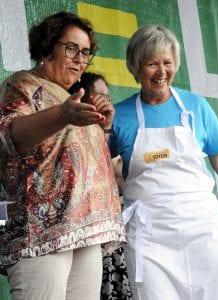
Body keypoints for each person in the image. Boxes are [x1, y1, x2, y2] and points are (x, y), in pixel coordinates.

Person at [0, 12, 125, 300]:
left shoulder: (75, 97)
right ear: (47, 46)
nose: (80, 59)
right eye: (71, 48)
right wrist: (62, 114)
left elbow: (83, 162)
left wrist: (102, 127)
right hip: (40, 232)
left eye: (85, 52)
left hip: (85, 230)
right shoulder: (22, 84)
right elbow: (10, 137)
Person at [109, 24, 218, 300]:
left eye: (167, 63)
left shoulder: (195, 106)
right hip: (150, 236)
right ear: (135, 67)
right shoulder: (120, 116)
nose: (162, 73)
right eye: (152, 64)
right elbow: (104, 172)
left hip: (202, 227)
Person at [69, 72, 132, 300]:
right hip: (79, 236)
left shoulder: (110, 137)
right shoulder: (70, 132)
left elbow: (116, 177)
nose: (106, 100)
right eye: (99, 95)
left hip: (109, 240)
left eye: (108, 95)